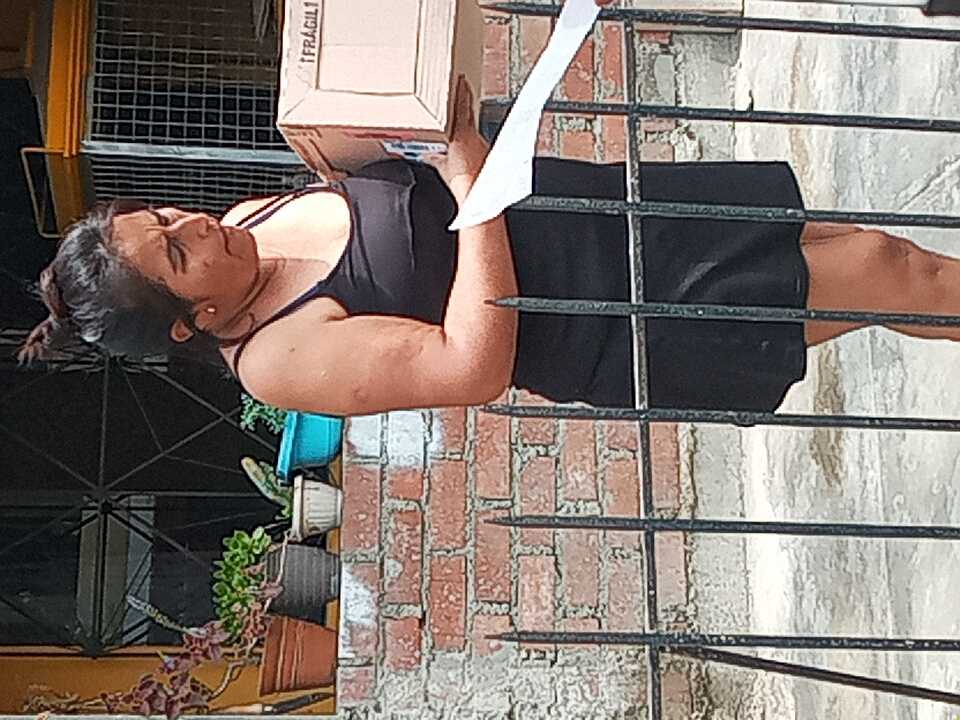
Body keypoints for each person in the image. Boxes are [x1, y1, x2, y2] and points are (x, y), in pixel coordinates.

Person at [16, 4, 960, 415]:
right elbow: (468, 370)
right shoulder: (276, 360)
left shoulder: (253, 217)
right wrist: (471, 190)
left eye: (167, 217)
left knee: (871, 261)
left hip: (604, 214)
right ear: (194, 320)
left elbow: (408, 142)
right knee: (886, 270)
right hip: (613, 316)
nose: (196, 227)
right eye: (178, 256)